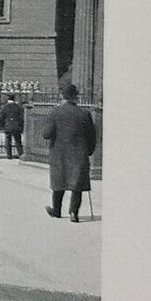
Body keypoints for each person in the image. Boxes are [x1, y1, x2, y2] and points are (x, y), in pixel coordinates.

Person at [42, 84, 97, 221]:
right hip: (79, 154)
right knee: (76, 184)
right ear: (76, 97)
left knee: (58, 183)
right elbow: (92, 136)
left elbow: (46, 134)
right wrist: (89, 152)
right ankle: (74, 213)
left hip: (59, 154)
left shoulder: (55, 112)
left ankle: (56, 210)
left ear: (62, 96)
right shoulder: (84, 114)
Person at [0, 93, 26, 159]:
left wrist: (2, 126)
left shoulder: (5, 107)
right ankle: (20, 154)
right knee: (18, 141)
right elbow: (21, 118)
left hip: (8, 126)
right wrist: (21, 126)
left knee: (8, 140)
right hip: (16, 126)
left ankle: (9, 155)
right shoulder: (18, 107)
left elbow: (1, 117)